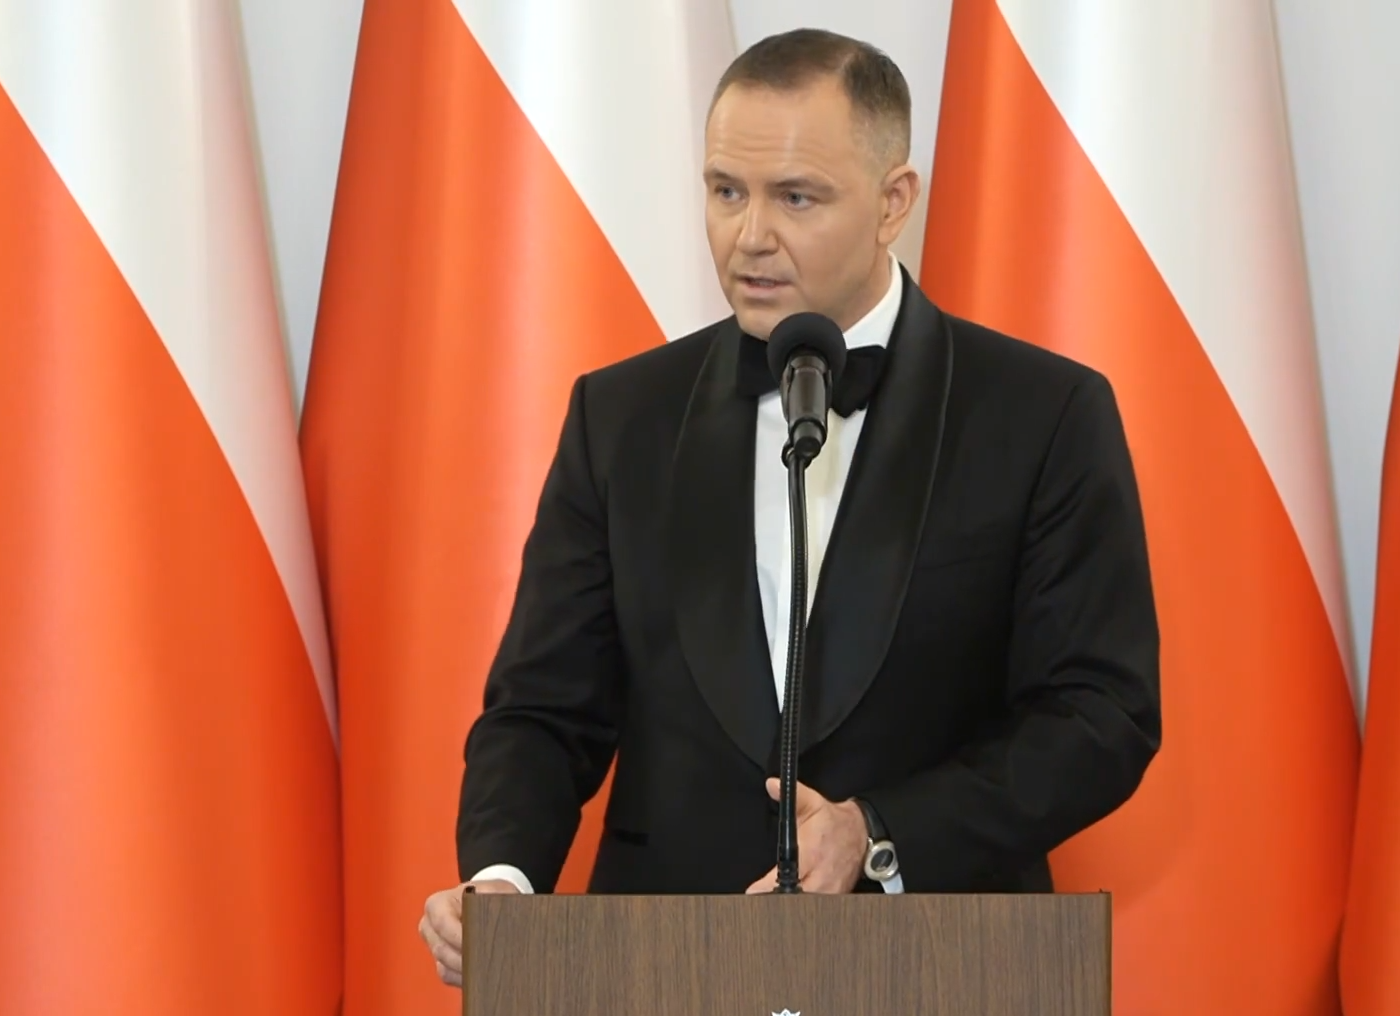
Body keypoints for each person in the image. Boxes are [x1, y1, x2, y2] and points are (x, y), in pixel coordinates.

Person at [418, 27, 1161, 987]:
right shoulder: (621, 415)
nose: (749, 236)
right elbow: (542, 708)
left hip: (940, 964)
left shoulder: (1043, 413)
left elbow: (1099, 714)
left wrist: (878, 833)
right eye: (725, 191)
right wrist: (503, 878)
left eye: (795, 197)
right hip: (659, 966)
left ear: (894, 202)